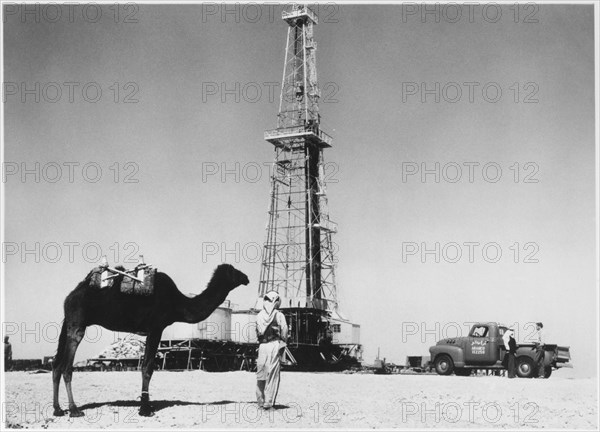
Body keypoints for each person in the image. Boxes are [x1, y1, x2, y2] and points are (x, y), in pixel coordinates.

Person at [255, 291, 288, 410]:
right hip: (274, 344)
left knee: (261, 374)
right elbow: (284, 330)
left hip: (262, 345)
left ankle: (260, 401)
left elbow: (257, 331)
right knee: (272, 374)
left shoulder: (259, 315)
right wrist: (283, 343)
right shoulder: (279, 315)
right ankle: (268, 403)